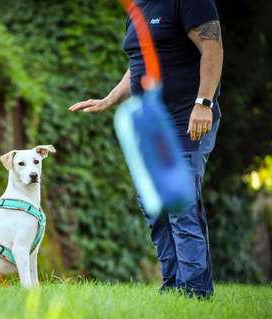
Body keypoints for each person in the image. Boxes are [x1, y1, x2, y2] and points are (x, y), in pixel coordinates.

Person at [69, 0, 223, 297]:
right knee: (154, 206)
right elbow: (139, 64)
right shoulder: (139, 8)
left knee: (182, 204)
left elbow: (212, 47)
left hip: (187, 117)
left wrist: (203, 102)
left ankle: (195, 290)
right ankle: (173, 284)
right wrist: (108, 100)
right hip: (152, 124)